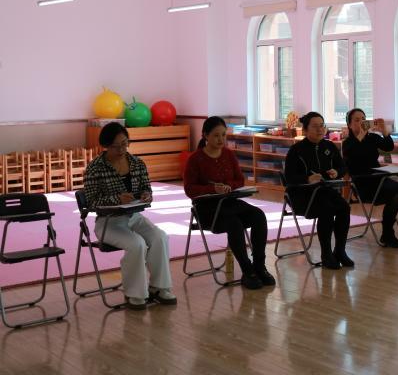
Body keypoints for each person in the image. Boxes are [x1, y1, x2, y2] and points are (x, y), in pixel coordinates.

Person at [83, 122, 176, 310]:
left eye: (125, 144)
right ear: (105, 146)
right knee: (137, 244)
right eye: (116, 146)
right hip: (108, 223)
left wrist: (146, 195)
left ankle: (159, 287)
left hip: (134, 217)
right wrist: (116, 199)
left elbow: (146, 188)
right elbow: (91, 202)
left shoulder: (136, 163)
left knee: (160, 237)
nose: (121, 150)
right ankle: (135, 293)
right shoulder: (95, 167)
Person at [184, 116, 274, 289]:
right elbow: (189, 189)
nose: (221, 139)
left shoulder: (228, 154)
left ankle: (259, 266)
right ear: (205, 135)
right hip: (208, 210)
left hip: (230, 203)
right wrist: (213, 189)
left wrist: (228, 186)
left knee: (258, 215)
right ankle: (247, 270)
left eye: (223, 135)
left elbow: (240, 180)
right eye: (216, 135)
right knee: (234, 224)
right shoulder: (195, 159)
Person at [284, 112, 353, 270]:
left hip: (324, 191)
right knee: (326, 210)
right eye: (315, 126)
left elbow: (342, 167)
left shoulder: (329, 146)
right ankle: (326, 254)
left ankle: (340, 251)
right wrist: (307, 179)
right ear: (305, 130)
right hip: (301, 195)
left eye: (322, 126)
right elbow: (289, 178)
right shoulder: (296, 150)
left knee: (344, 207)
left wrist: (337, 172)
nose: (320, 129)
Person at [342, 108, 398, 247]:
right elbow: (353, 155)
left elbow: (389, 147)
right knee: (394, 197)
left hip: (379, 179)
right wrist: (361, 135)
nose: (361, 122)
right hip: (362, 184)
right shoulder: (348, 143)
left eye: (363, 119)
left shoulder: (372, 138)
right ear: (349, 125)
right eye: (357, 120)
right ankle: (387, 235)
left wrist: (384, 131)